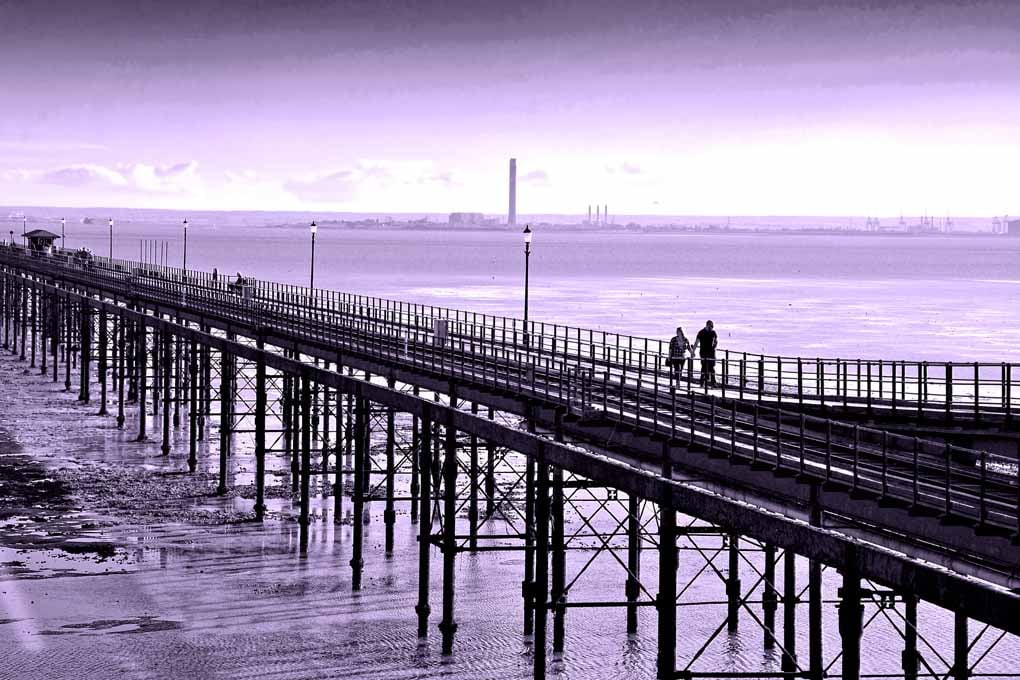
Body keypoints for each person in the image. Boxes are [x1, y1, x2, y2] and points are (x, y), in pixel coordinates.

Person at [693, 320, 718, 388]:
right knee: (704, 367)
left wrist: (714, 345)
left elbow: (716, 341)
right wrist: (693, 351)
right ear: (706, 325)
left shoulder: (713, 332)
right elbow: (696, 342)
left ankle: (713, 382)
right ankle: (702, 382)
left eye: (712, 327)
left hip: (711, 352)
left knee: (712, 368)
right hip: (703, 352)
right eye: (710, 326)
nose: (711, 328)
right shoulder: (701, 332)